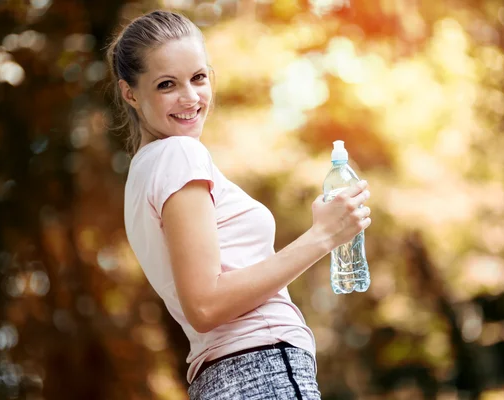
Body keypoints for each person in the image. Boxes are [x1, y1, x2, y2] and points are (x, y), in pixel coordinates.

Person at [106, 9, 371, 399]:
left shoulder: (143, 173)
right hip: (260, 368)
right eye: (167, 84)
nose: (191, 97)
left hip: (222, 379)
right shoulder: (180, 155)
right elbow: (205, 305)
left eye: (198, 77)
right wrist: (322, 237)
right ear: (130, 92)